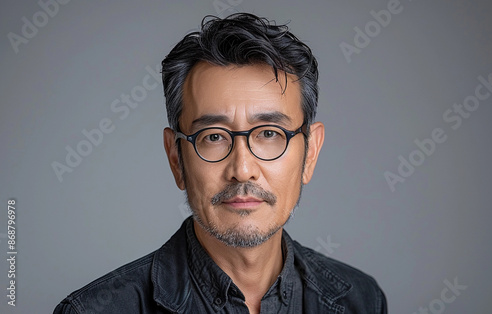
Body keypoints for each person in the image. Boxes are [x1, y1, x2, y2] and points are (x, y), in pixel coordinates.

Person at [54, 13, 387, 314]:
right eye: (213, 137)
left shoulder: (361, 300)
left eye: (269, 133)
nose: (242, 169)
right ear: (176, 158)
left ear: (310, 153)